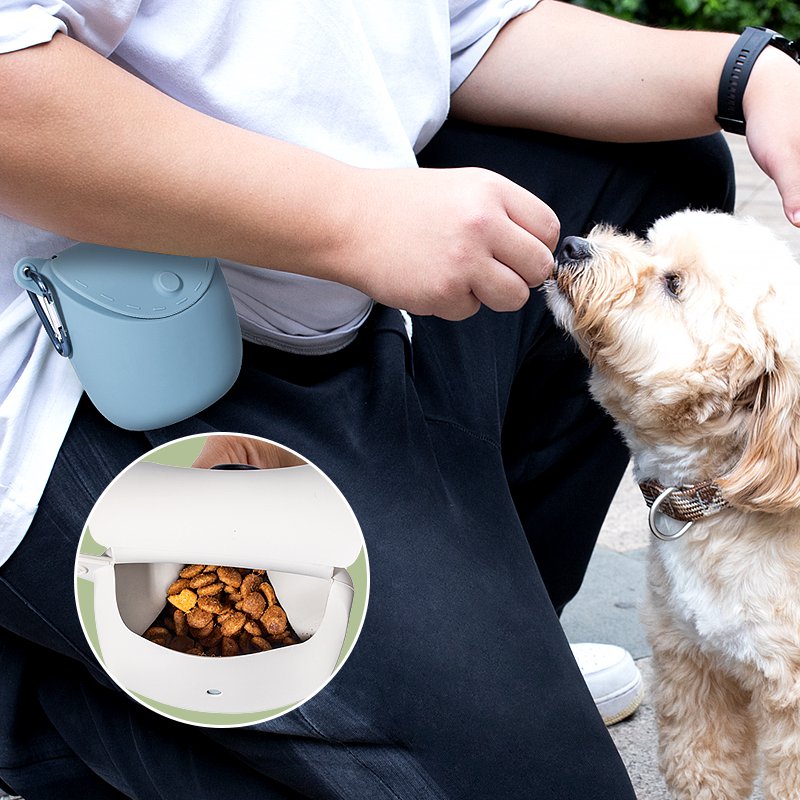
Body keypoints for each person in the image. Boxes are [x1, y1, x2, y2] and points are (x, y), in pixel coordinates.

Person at [0, 1, 797, 797]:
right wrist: (350, 218)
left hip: (344, 305)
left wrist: (749, 73)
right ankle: (49, 706)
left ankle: (475, 663)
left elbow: (469, 26)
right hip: (98, 364)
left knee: (660, 155)